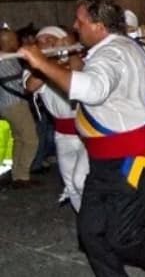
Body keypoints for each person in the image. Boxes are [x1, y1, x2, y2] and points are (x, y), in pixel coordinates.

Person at [18, 0, 145, 276]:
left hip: (133, 160)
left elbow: (92, 90)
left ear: (99, 25)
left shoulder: (112, 54)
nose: (75, 26)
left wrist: (41, 62)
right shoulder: (119, 48)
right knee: (91, 233)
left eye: (80, 21)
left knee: (123, 238)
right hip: (106, 161)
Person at [23, 26, 88, 210]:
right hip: (63, 135)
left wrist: (69, 52)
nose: (44, 44)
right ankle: (85, 219)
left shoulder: (80, 59)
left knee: (82, 180)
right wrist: (48, 62)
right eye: (40, 41)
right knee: (71, 183)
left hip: (86, 133)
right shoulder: (35, 69)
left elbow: (80, 74)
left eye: (49, 39)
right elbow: (31, 86)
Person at [0, 27, 38, 189]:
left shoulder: (10, 57)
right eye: (15, 39)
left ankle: (18, 175)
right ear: (7, 41)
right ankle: (22, 176)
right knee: (31, 140)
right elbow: (20, 83)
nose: (18, 41)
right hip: (15, 104)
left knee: (20, 139)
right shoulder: (5, 60)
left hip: (8, 105)